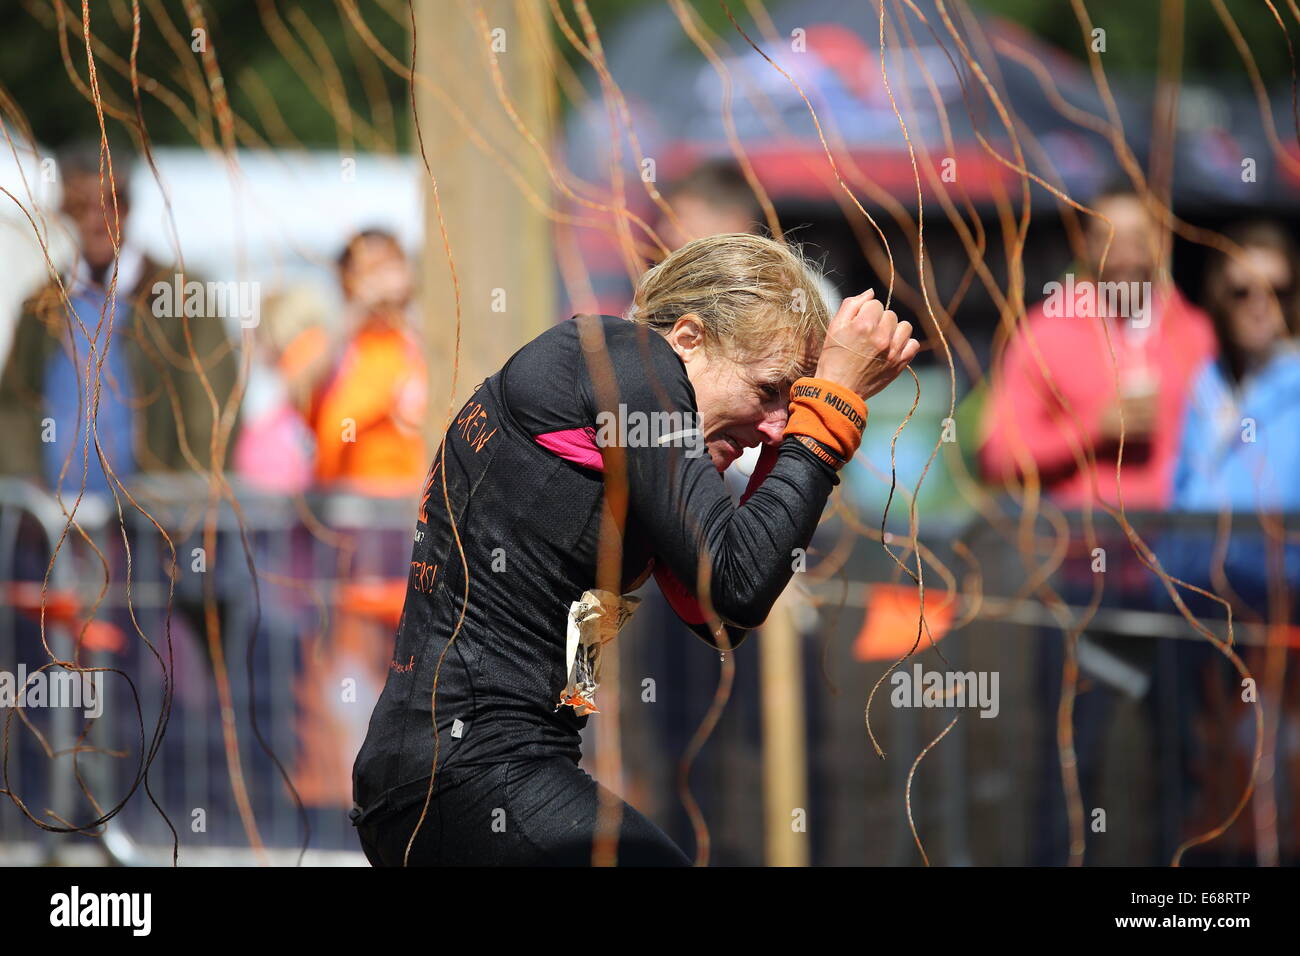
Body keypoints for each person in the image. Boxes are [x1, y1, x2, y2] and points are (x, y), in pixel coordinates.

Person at [350, 233, 919, 866]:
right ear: (687, 339)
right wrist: (830, 407)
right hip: (466, 776)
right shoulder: (627, 358)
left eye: (790, 406)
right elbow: (738, 579)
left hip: (468, 779)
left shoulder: (629, 420)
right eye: (768, 391)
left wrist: (807, 425)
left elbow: (724, 613)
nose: (773, 428)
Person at [0, 143, 241, 489]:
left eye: (109, 204)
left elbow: (212, 403)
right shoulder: (43, 303)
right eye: (80, 208)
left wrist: (186, 499)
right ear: (64, 214)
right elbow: (14, 402)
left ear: (127, 208)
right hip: (55, 523)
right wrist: (23, 483)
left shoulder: (179, 294)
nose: (95, 221)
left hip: (150, 523)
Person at [979, 183, 1216, 509]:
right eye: (1108, 240)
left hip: (1179, 547)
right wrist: (1092, 429)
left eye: (1138, 240)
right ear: (1085, 245)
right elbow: (999, 456)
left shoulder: (1199, 334)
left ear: (1162, 243)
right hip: (1081, 545)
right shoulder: (1044, 334)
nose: (1124, 256)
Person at [310, 228, 427, 496]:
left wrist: (406, 308)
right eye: (370, 270)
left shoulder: (416, 343)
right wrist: (357, 311)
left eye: (391, 265)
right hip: (342, 510)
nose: (382, 279)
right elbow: (297, 392)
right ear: (346, 279)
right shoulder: (332, 344)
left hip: (411, 509)